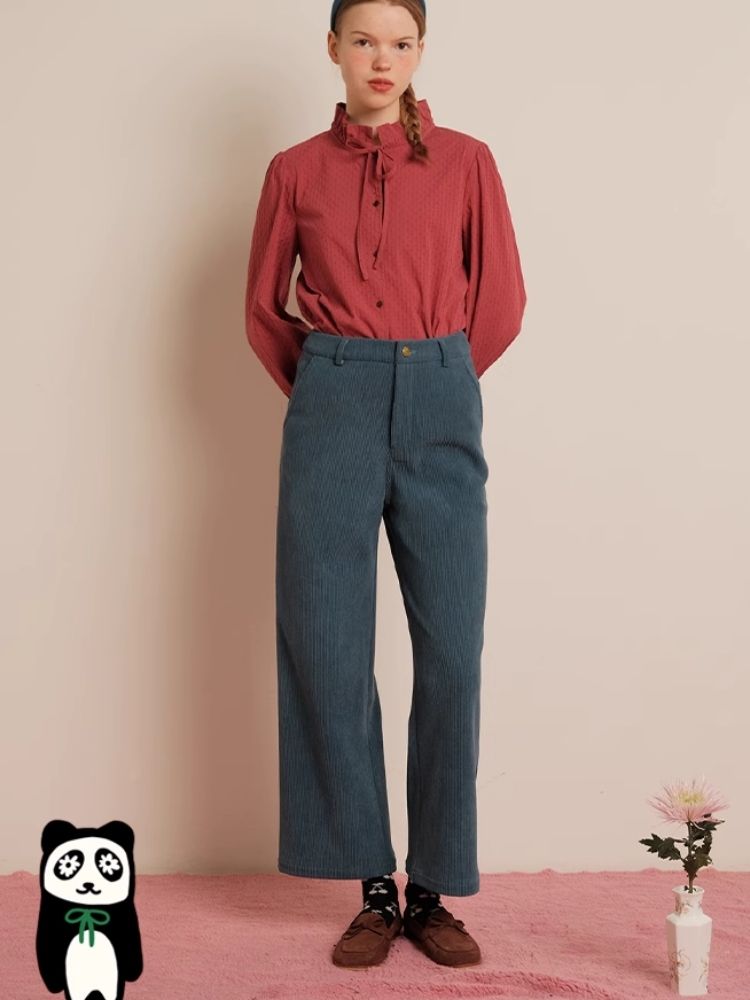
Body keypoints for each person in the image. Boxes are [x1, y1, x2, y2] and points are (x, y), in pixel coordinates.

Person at [245, 0, 526, 971]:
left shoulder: (468, 162)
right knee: (326, 644)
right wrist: (337, 383)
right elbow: (263, 306)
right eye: (364, 40)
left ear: (420, 52)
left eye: (401, 43)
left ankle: (434, 888)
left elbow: (501, 301)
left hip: (441, 389)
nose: (382, 59)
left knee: (452, 652)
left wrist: (434, 378)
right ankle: (371, 885)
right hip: (334, 398)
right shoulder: (294, 170)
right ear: (332, 47)